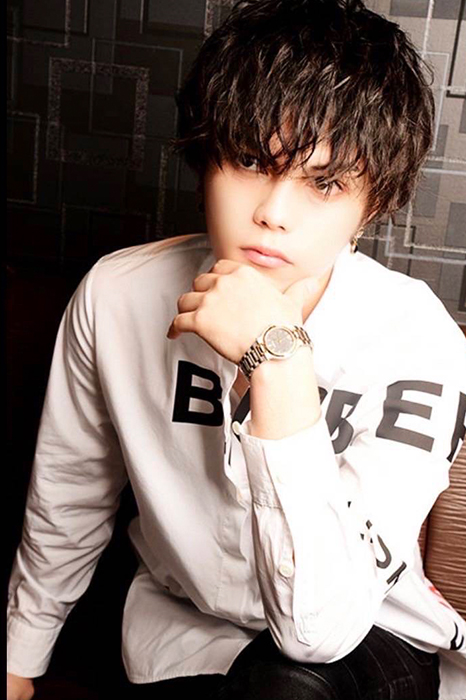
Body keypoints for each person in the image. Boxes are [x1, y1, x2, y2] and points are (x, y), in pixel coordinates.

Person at [7, 0, 466, 698]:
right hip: (182, 638)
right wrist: (20, 658)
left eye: (325, 184)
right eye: (250, 160)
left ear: (370, 206)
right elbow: (70, 494)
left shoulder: (417, 336)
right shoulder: (117, 295)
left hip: (368, 638)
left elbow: (320, 630)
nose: (273, 213)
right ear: (206, 159)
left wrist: (278, 362)